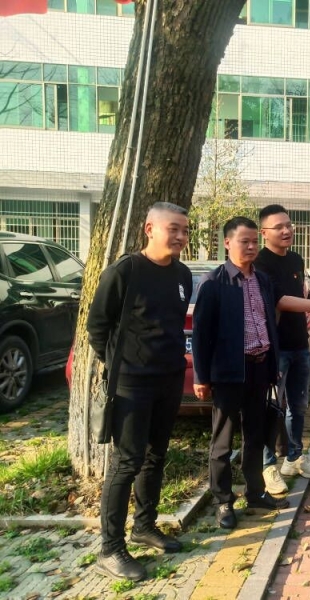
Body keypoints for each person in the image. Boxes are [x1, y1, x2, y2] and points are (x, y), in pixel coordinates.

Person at [193, 217, 310, 529]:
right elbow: (201, 334)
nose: (251, 247)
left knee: (255, 436)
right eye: (244, 241)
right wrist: (201, 376)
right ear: (228, 243)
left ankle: (256, 493)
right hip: (229, 373)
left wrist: (273, 363)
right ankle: (223, 502)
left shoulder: (262, 280)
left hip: (260, 369)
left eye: (254, 241)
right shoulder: (214, 283)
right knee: (222, 442)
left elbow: (273, 317)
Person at [86, 202, 193, 581]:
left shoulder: (182, 275)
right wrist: (124, 364)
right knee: (126, 462)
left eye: (185, 230)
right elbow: (97, 327)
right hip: (131, 384)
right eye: (173, 228)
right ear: (150, 229)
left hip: (168, 380)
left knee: (155, 456)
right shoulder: (125, 271)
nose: (181, 236)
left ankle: (145, 526)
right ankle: (110, 549)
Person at [253, 204, 310, 494]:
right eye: (279, 227)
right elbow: (280, 300)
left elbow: (297, 294)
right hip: (275, 348)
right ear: (264, 232)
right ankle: (268, 465)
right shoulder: (260, 263)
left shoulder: (295, 259)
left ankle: (294, 458)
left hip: (299, 344)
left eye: (289, 225)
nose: (286, 230)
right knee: (271, 408)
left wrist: (309, 304)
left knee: (299, 406)